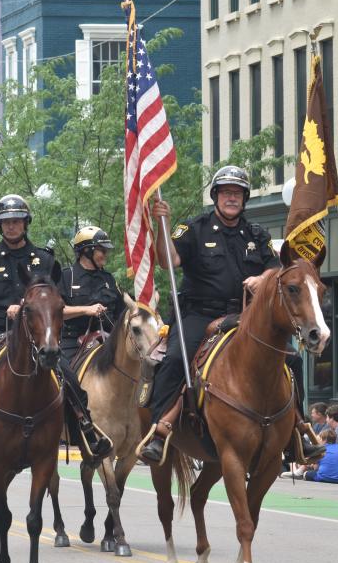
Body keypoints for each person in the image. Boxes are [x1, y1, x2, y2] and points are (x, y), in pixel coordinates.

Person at [136, 165, 323, 466]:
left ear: (245, 198)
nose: (231, 198)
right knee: (173, 360)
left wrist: (263, 278)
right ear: (216, 196)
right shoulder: (194, 228)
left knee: (292, 359)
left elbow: (277, 269)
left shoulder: (256, 234)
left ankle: (298, 429)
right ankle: (160, 429)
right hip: (199, 314)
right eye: (226, 192)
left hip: (243, 315)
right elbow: (166, 259)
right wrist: (163, 223)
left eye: (237, 193)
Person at [0, 194, 112, 461]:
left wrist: (25, 305)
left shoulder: (44, 259)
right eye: (5, 222)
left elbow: (53, 297)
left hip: (33, 330)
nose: (11, 226)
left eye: (16, 221)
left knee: (68, 376)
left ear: (26, 223)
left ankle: (85, 428)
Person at [58, 225, 125, 362]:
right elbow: (56, 311)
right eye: (102, 250)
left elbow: (123, 311)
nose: (106, 254)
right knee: (66, 377)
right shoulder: (65, 276)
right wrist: (86, 310)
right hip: (73, 342)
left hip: (108, 340)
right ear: (87, 251)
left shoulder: (108, 278)